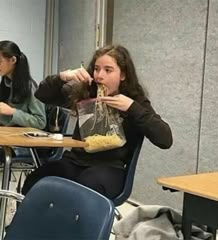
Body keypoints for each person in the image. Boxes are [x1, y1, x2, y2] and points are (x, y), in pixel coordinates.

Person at [22, 45, 173, 199]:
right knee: (36, 179)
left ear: (123, 75)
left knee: (84, 187)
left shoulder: (135, 100)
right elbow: (42, 95)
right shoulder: (86, 92)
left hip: (110, 168)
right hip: (74, 161)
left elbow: (165, 140)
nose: (100, 75)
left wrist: (132, 107)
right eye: (96, 69)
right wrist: (63, 77)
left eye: (108, 70)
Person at [0, 40, 46, 159]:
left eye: (0, 61)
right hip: (7, 138)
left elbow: (40, 122)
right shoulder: (5, 83)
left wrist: (12, 112)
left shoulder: (31, 88)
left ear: (13, 60)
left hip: (22, 145)